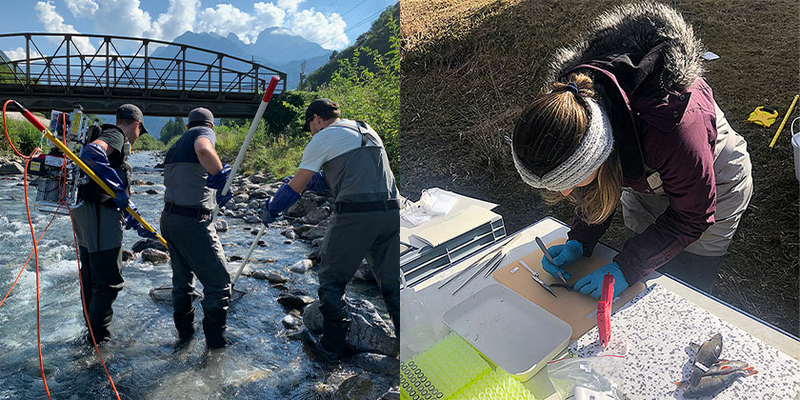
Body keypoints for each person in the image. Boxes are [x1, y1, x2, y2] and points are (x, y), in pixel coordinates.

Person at [511, 2, 752, 297]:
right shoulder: (579, 110)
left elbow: (693, 215)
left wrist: (626, 267)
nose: (565, 194)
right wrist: (580, 238)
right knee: (644, 271)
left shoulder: (672, 126)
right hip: (644, 179)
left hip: (714, 178)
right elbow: (596, 179)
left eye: (569, 183)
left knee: (685, 284)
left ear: (596, 155)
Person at [260, 99, 400, 363]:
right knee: (391, 284)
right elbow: (352, 171)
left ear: (316, 119)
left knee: (332, 280)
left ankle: (332, 346)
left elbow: (295, 188)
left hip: (356, 215)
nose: (311, 132)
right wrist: (320, 180)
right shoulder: (365, 129)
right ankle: (408, 343)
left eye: (310, 126)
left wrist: (273, 208)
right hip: (392, 213)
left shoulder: (323, 137)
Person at [73, 103, 154, 343]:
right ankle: (100, 338)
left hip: (88, 213)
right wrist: (117, 190)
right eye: (140, 132)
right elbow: (93, 154)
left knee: (90, 273)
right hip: (100, 215)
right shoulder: (116, 135)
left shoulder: (106, 134)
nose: (137, 138)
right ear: (136, 125)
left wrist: (130, 213)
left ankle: (92, 332)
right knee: (108, 278)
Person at [160, 107, 233, 348]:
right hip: (193, 221)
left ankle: (184, 337)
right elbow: (204, 149)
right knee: (219, 284)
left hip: (170, 219)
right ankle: (215, 347)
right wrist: (220, 175)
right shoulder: (203, 133)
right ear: (210, 126)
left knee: (183, 282)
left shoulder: (175, 145)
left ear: (187, 124)